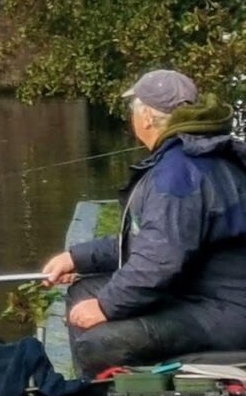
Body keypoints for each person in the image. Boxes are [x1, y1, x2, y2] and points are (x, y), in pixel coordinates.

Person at [41, 69, 246, 378]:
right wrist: (77, 257)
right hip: (201, 294)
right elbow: (150, 241)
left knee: (99, 344)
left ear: (147, 117)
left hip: (225, 312)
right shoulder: (195, 155)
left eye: (132, 107)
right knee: (83, 293)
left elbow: (159, 262)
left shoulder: (178, 174)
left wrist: (106, 306)